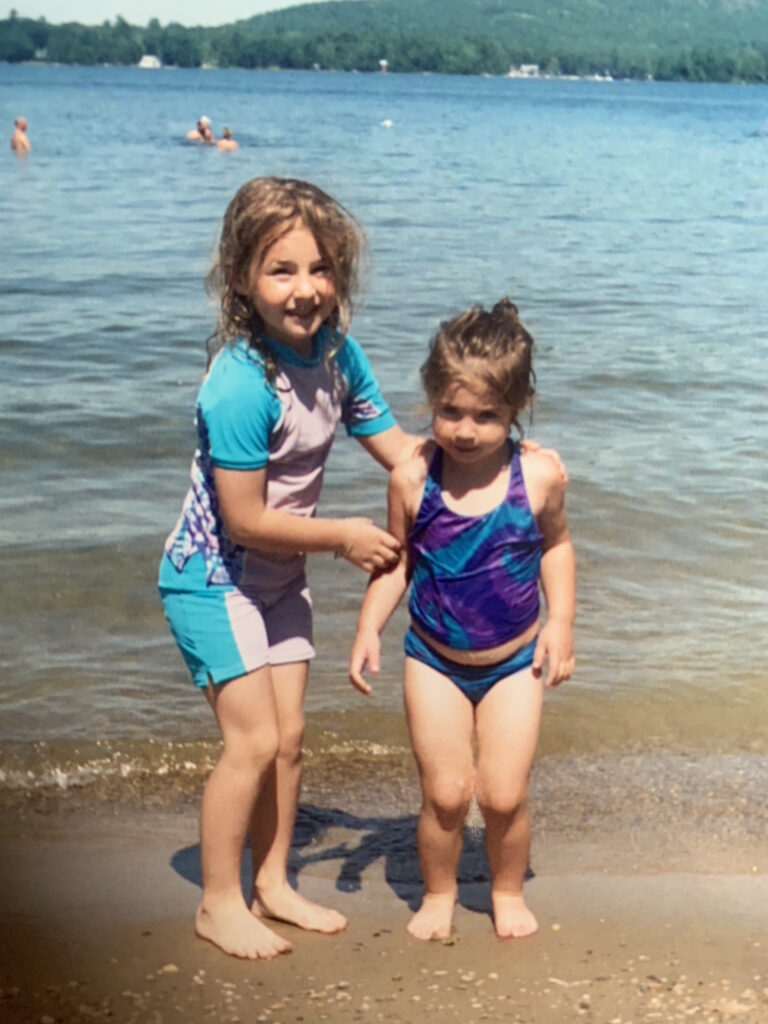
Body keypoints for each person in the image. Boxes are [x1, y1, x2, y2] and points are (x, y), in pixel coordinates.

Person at [158, 177, 422, 961]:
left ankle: (273, 882)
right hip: (211, 576)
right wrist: (342, 534)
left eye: (320, 268)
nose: (305, 290)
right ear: (241, 278)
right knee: (252, 742)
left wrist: (494, 462)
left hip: (276, 581)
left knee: (291, 740)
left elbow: (401, 450)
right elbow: (242, 518)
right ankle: (218, 902)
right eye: (281, 270)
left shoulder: (338, 355)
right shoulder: (243, 382)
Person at [349, 299, 576, 943]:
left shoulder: (535, 477)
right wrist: (370, 626)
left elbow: (557, 546)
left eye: (488, 416)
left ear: (517, 410)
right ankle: (441, 894)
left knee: (503, 795)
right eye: (451, 412)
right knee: (447, 794)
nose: (467, 430)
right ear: (429, 399)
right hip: (433, 658)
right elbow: (396, 563)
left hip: (514, 661)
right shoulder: (412, 478)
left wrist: (561, 622)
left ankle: (506, 890)